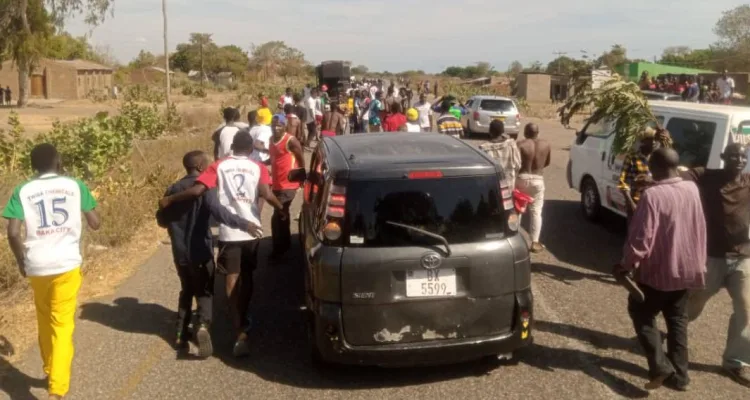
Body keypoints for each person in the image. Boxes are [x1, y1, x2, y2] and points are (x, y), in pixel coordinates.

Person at [158, 131, 286, 357]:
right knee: (247, 276)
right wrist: (281, 209)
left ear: (233, 146)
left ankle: (236, 329)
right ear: (250, 149)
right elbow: (266, 193)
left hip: (229, 233)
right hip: (252, 231)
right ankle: (244, 319)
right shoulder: (258, 167)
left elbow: (198, 190)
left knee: (229, 280)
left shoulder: (218, 165)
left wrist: (170, 199)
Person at [3, 143, 101, 400]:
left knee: (45, 320)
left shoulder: (22, 190)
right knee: (62, 324)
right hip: (66, 264)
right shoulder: (74, 185)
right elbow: (95, 222)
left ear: (32, 166)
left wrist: (20, 261)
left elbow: (12, 232)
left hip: (36, 266)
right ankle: (57, 390)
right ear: (58, 161)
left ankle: (49, 369)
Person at [617, 147, 707, 391]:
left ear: (655, 168)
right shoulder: (691, 189)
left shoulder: (652, 195)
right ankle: (681, 377)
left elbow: (641, 241)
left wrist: (624, 265)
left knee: (642, 314)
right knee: (677, 321)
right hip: (687, 269)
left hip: (658, 272)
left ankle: (661, 368)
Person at [156, 151, 255, 358]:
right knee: (205, 292)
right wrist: (243, 223)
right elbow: (220, 214)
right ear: (201, 166)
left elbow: (162, 221)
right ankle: (202, 326)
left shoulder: (173, 189)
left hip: (180, 252)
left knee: (186, 290)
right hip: (201, 251)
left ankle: (180, 336)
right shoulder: (205, 189)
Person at [681, 143, 750, 388]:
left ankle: (734, 362)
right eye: (733, 155)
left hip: (743, 257)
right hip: (713, 256)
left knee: (746, 309)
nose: (739, 159)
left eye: (743, 156)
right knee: (697, 299)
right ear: (723, 157)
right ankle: (676, 331)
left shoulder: (748, 181)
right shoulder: (707, 176)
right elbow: (680, 176)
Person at [269, 116, 306, 259]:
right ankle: (286, 244)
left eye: (278, 125)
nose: (275, 127)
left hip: (289, 184)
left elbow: (301, 157)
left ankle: (278, 251)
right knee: (282, 214)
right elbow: (274, 158)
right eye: (273, 125)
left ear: (284, 126)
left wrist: (301, 176)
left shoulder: (290, 140)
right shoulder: (271, 140)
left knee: (278, 215)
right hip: (277, 183)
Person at [516, 123, 550, 253]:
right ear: (538, 132)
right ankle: (535, 242)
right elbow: (547, 162)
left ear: (525, 132)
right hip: (538, 179)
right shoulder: (546, 145)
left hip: (522, 178)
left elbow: (516, 162)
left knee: (518, 209)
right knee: (536, 211)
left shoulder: (520, 144)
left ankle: (516, 238)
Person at [618, 127, 658, 218]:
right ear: (643, 142)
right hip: (636, 203)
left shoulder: (656, 158)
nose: (654, 142)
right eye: (651, 140)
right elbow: (622, 182)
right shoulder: (632, 158)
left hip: (653, 204)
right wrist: (631, 204)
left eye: (655, 139)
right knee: (635, 231)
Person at [479, 120, 521, 190]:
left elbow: (482, 171)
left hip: (492, 187)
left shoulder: (483, 148)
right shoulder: (511, 145)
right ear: (503, 132)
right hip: (509, 185)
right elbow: (518, 165)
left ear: (490, 131)